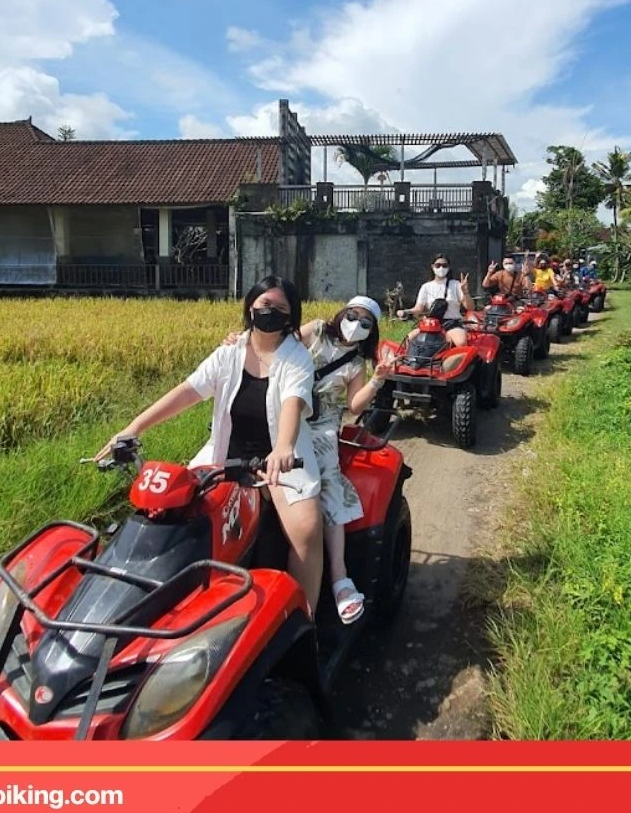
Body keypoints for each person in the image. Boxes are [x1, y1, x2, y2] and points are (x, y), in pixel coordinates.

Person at [94, 276, 324, 614]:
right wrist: (134, 427)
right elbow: (189, 391)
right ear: (250, 306)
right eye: (264, 305)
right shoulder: (229, 352)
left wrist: (284, 447)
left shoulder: (296, 358)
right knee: (169, 514)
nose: (270, 312)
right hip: (224, 455)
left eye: (279, 308)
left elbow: (293, 402)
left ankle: (305, 618)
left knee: (306, 530)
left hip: (279, 462)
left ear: (291, 316)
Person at [223, 295, 395, 624]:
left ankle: (339, 579)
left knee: (326, 480)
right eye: (353, 315)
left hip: (320, 428)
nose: (356, 324)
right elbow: (277, 345)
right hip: (281, 411)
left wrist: (378, 378)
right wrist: (241, 341)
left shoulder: (357, 363)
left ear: (371, 330)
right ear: (342, 312)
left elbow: (355, 406)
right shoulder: (315, 331)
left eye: (365, 322)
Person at [395, 254, 474, 348]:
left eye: (444, 265)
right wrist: (405, 312)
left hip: (451, 324)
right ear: (432, 267)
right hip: (430, 324)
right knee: (408, 341)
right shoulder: (426, 287)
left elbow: (470, 307)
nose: (441, 268)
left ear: (449, 267)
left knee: (461, 342)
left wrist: (465, 292)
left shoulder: (456, 285)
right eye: (438, 265)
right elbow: (418, 308)